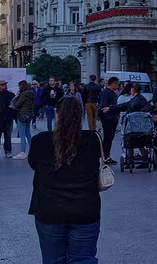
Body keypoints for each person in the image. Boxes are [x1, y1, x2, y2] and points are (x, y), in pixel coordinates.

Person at [28, 95, 102, 262]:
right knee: (83, 259)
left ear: (56, 114)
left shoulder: (40, 141)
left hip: (49, 209)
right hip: (85, 210)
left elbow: (33, 164)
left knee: (53, 259)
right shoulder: (93, 139)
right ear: (81, 115)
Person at [95, 78, 121, 165]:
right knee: (107, 138)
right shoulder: (106, 93)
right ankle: (105, 156)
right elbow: (103, 107)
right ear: (112, 84)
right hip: (108, 119)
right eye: (117, 84)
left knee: (109, 138)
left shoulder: (113, 93)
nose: (118, 86)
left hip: (113, 118)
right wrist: (107, 117)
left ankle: (106, 156)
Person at [13, 80, 38, 159]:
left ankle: (23, 152)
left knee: (22, 134)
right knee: (28, 133)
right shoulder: (32, 93)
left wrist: (16, 97)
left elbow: (17, 104)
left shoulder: (23, 94)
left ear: (22, 86)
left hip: (22, 115)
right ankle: (33, 151)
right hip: (29, 115)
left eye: (19, 86)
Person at [0, 81, 17, 158]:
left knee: (8, 136)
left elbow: (14, 106)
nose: (4, 86)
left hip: (8, 117)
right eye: (2, 85)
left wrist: (13, 115)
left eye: (5, 85)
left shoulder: (11, 95)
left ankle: (8, 151)